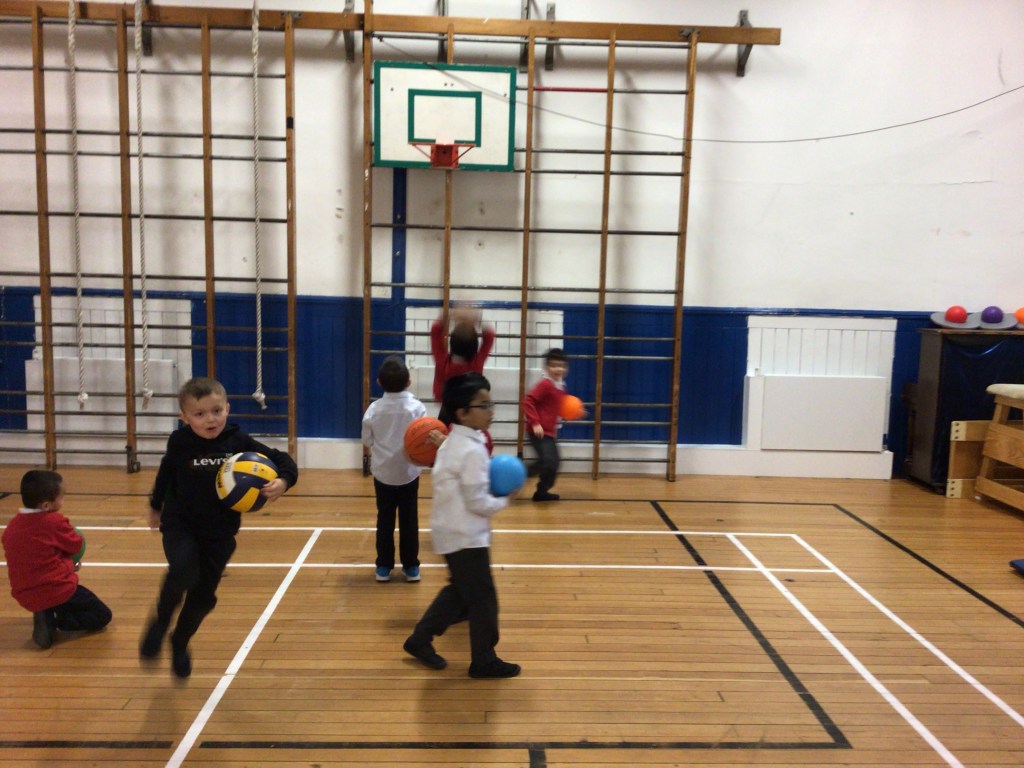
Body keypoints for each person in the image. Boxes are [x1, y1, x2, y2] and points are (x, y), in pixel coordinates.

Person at [140, 376, 298, 678]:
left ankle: (179, 641)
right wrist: (155, 505)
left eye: (216, 411)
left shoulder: (238, 441)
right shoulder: (180, 442)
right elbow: (166, 472)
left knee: (203, 598)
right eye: (199, 414)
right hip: (180, 525)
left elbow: (282, 459)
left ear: (227, 409)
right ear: (184, 418)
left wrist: (284, 481)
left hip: (220, 534)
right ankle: (160, 621)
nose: (210, 419)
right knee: (183, 571)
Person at [403, 372, 521, 679]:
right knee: (483, 600)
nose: (491, 410)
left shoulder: (455, 441)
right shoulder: (470, 450)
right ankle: (484, 660)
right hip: (465, 536)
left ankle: (419, 639)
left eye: (490, 403)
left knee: (459, 591)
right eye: (484, 405)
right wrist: (505, 498)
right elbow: (478, 502)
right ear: (463, 413)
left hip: (451, 533)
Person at [2, 469, 112, 650]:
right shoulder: (54, 522)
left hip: (24, 594)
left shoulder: (11, 527)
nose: (63, 500)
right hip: (58, 590)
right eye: (62, 497)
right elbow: (75, 544)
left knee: (45, 590)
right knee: (102, 615)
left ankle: (44, 612)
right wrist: (70, 564)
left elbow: (33, 561)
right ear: (46, 505)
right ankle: (57, 620)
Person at [361, 355, 428, 583]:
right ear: (409, 381)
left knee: (385, 519)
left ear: (379, 382)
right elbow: (426, 438)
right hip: (409, 473)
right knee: (409, 520)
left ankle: (383, 566)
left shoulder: (373, 410)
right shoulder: (417, 408)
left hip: (383, 474)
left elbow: (367, 440)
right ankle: (411, 567)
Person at [430, 303, 495, 426]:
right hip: (469, 414)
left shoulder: (443, 364)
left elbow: (435, 331)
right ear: (475, 347)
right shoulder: (476, 364)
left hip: (447, 412)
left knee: (444, 436)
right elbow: (489, 336)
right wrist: (477, 318)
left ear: (451, 343)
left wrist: (452, 314)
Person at [522, 348, 571, 502]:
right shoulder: (546, 384)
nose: (558, 369)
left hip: (549, 432)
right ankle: (518, 475)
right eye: (554, 365)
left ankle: (542, 492)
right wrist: (535, 422)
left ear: (566, 368)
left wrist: (570, 414)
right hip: (538, 431)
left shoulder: (561, 386)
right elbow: (528, 401)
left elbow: (556, 407)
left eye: (561, 366)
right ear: (546, 368)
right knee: (548, 461)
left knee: (552, 463)